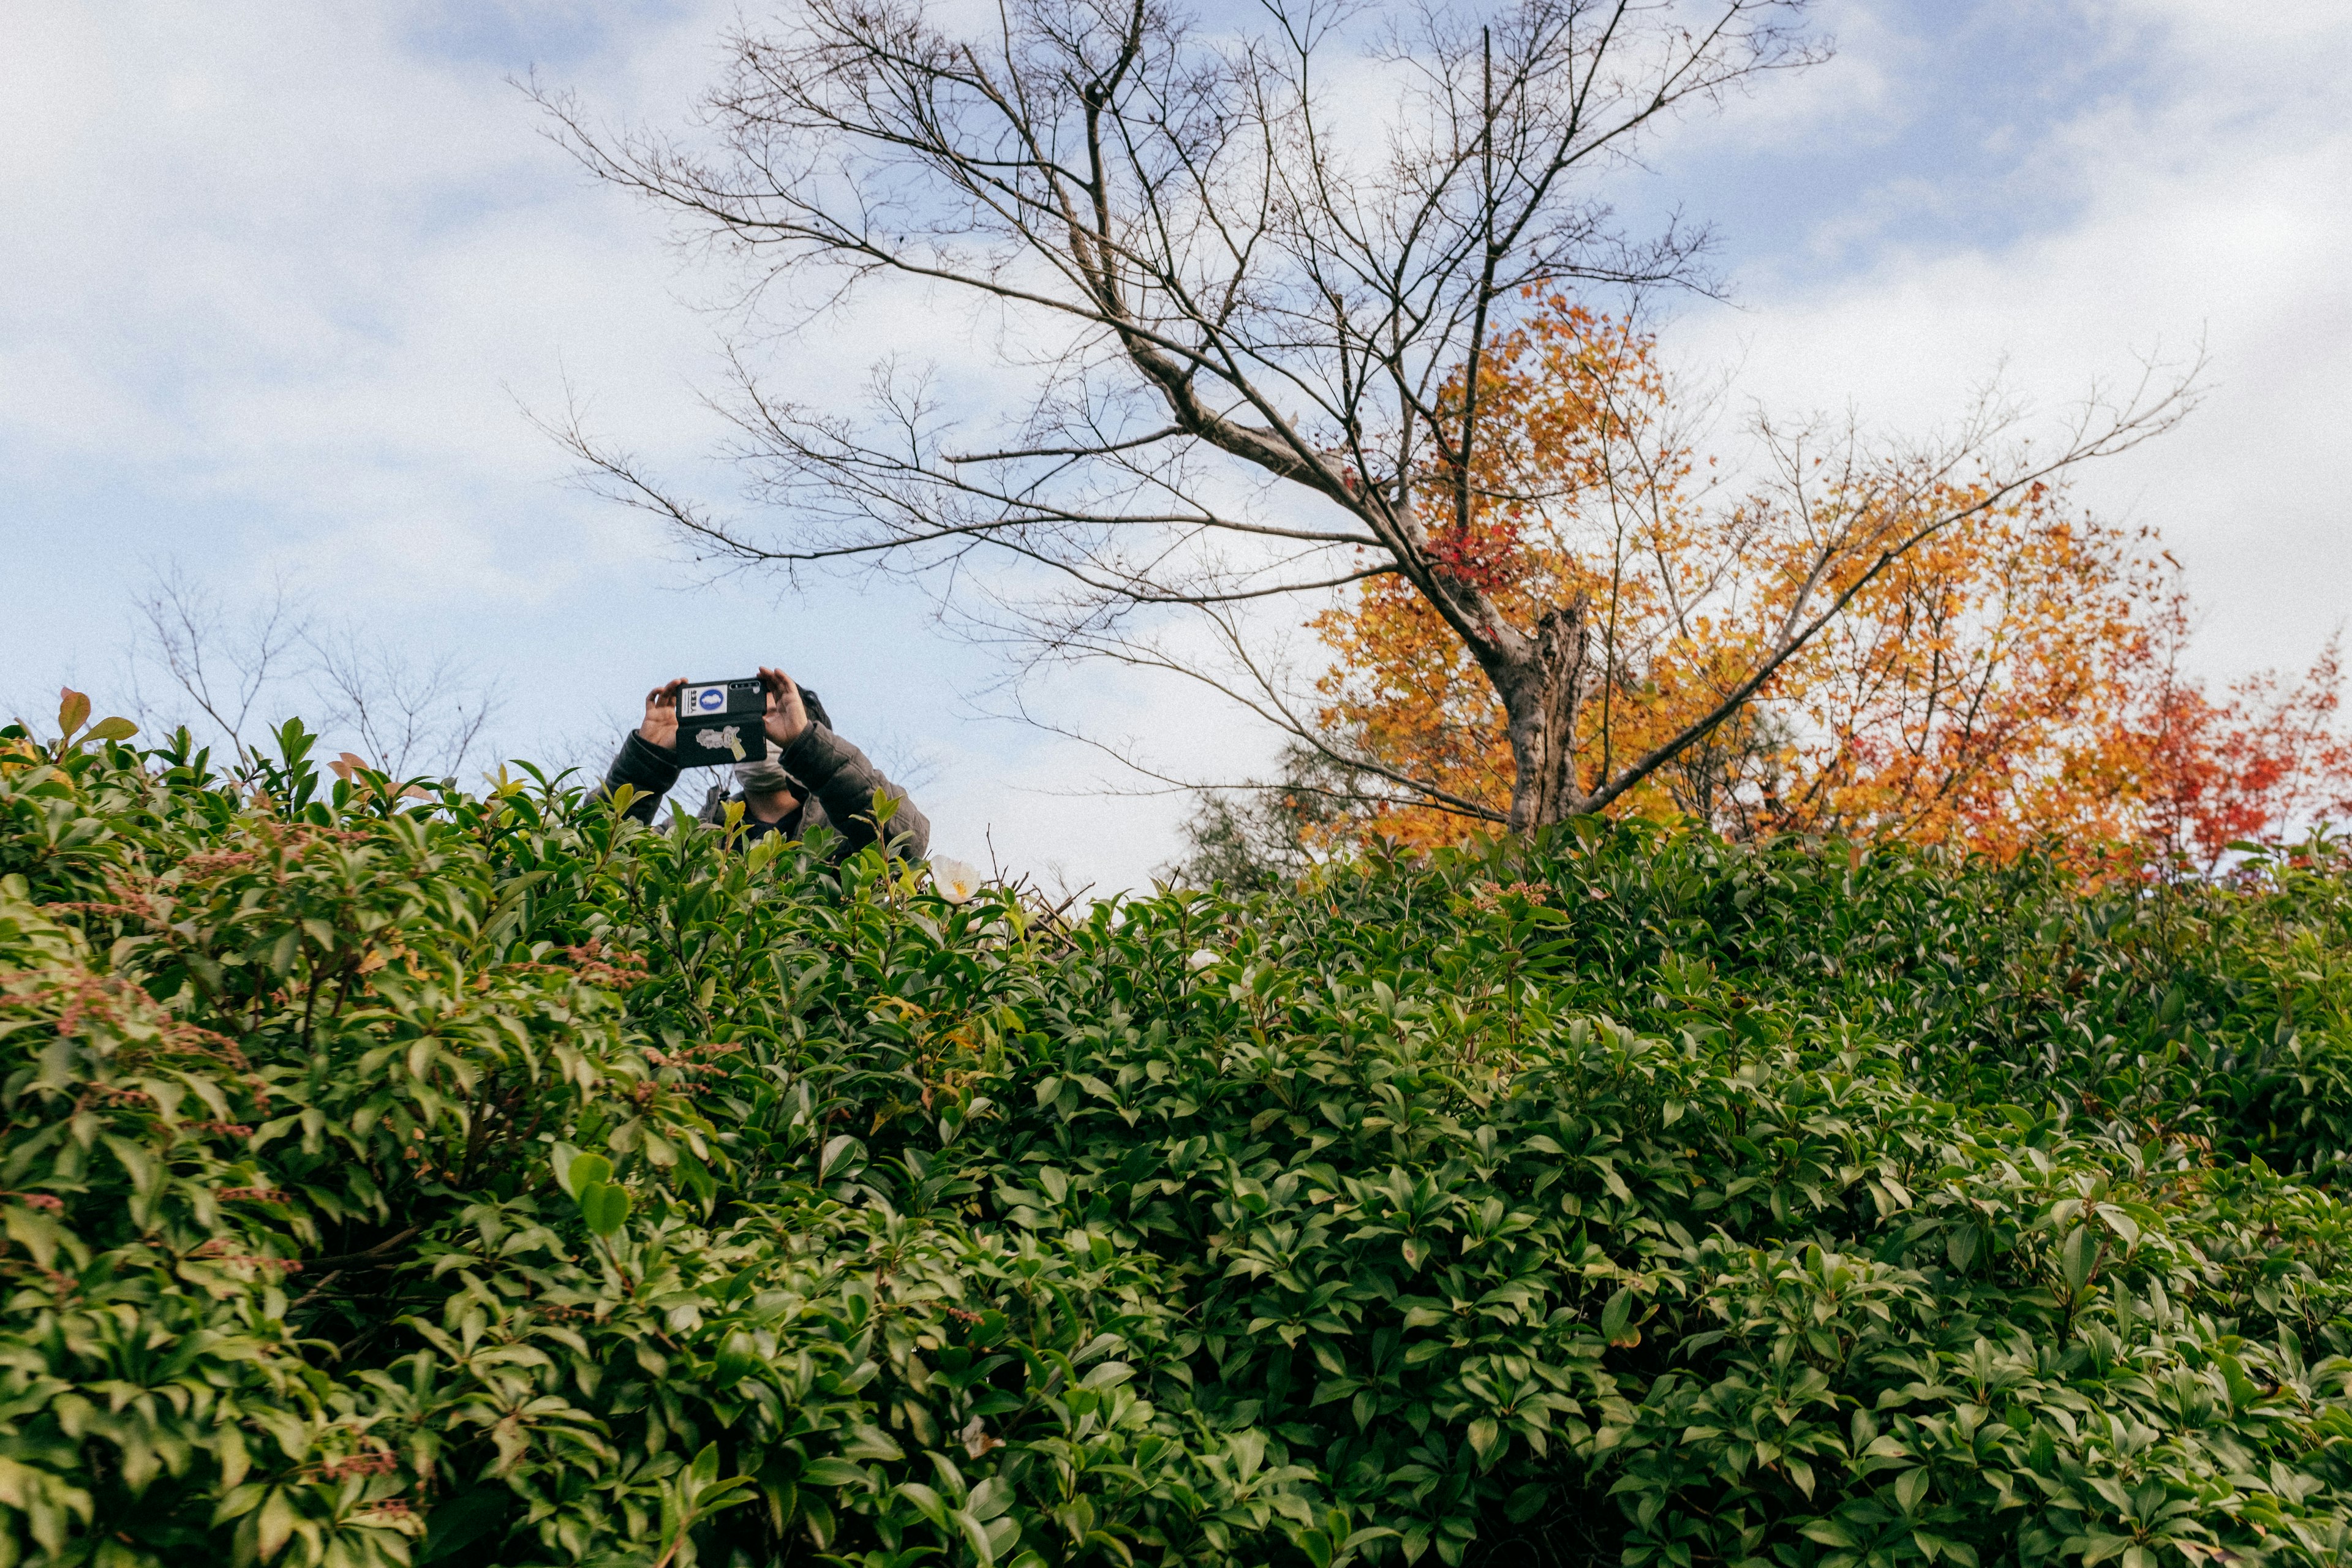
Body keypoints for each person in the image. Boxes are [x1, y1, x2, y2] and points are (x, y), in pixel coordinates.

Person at [600, 666, 930, 861]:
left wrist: (811, 750)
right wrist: (647, 757)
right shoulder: (688, 836)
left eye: (775, 717)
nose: (761, 729)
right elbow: (593, 859)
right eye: (748, 719)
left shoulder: (844, 831)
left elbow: (909, 844)